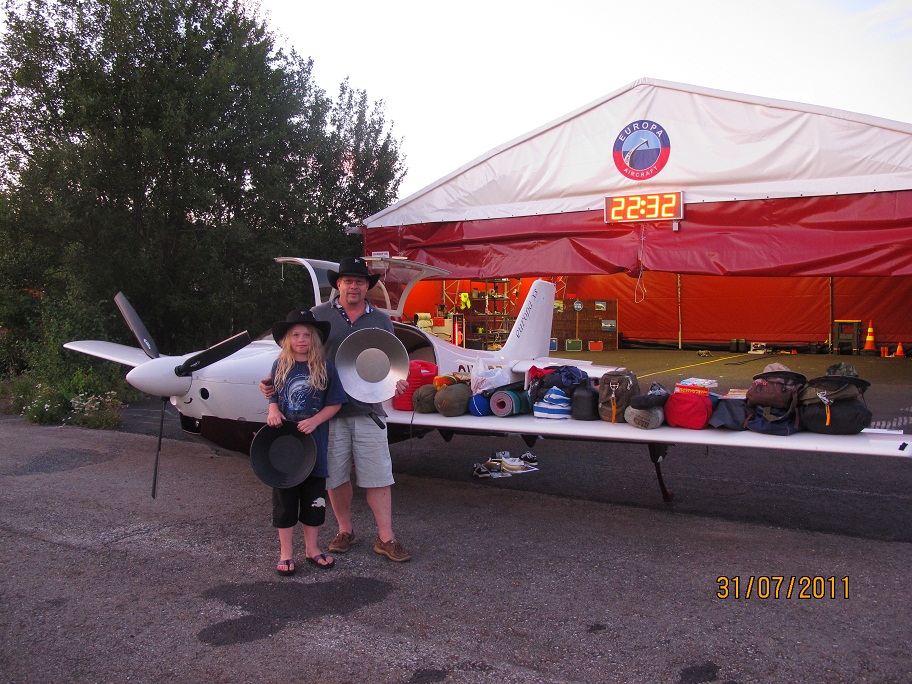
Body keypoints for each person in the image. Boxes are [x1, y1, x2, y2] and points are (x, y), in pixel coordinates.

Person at [262, 256, 411, 562]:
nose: (353, 286)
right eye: (347, 281)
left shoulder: (381, 320)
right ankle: (345, 530)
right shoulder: (318, 316)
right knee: (336, 477)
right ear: (339, 284)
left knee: (379, 476)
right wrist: (272, 386)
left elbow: (392, 361)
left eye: (359, 281)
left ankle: (386, 538)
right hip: (327, 413)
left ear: (366, 286)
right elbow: (294, 356)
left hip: (368, 410)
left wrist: (398, 382)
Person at [266, 309, 347, 576]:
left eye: (307, 335)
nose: (302, 340)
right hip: (286, 449)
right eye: (296, 335)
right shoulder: (280, 366)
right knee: (285, 501)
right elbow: (273, 396)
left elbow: (334, 403)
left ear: (315, 339)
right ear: (287, 339)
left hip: (315, 448)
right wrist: (273, 411)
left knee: (314, 500)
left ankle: (312, 548)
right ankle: (286, 552)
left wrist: (316, 420)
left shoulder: (326, 367)